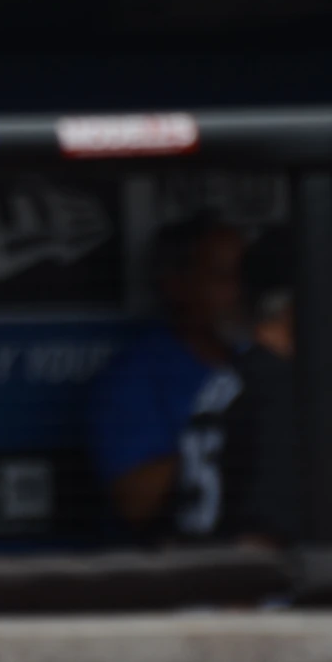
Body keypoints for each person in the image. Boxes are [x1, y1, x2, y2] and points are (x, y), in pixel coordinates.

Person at [87, 214, 247, 537]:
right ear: (177, 286)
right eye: (223, 278)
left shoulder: (261, 361)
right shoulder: (135, 377)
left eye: (245, 278)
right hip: (170, 573)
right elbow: (136, 500)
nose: (240, 293)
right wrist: (246, 445)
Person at [221, 226, 332, 543]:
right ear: (294, 305)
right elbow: (256, 551)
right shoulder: (281, 397)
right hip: (291, 589)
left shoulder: (246, 379)